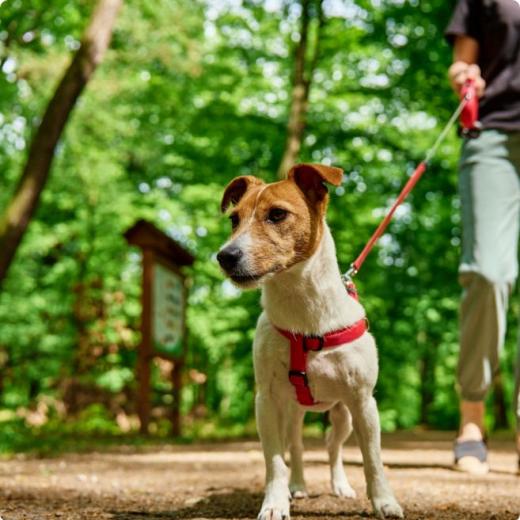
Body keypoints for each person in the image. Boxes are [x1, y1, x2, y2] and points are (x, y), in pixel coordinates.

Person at [445, 0, 520, 474]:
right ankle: (472, 420)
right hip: (494, 134)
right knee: (489, 273)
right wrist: (462, 75)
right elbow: (462, 58)